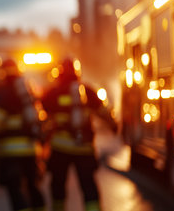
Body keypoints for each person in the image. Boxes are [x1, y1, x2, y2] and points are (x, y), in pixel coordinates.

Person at [41, 57, 117, 211]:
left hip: (60, 149)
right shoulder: (88, 91)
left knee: (58, 185)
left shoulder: (52, 93)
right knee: (88, 185)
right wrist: (114, 126)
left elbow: (43, 119)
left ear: (60, 73)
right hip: (84, 148)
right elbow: (104, 114)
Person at [0, 58, 46, 211]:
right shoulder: (28, 89)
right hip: (31, 149)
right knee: (34, 188)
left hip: (10, 153)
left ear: (3, 73)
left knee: (16, 191)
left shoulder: (5, 92)